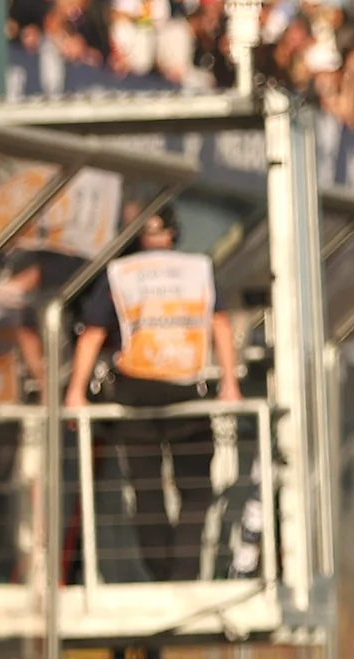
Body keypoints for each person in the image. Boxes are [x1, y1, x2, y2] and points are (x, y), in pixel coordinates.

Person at [65, 206, 240, 582]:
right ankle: (184, 575)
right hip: (187, 387)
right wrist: (230, 384)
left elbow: (92, 333)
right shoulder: (198, 269)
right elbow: (220, 324)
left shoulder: (122, 273)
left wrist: (76, 393)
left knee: (146, 489)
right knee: (196, 489)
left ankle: (163, 574)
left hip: (135, 391)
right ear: (174, 233)